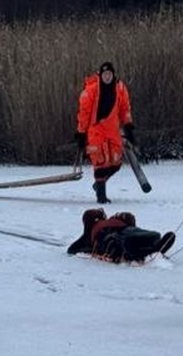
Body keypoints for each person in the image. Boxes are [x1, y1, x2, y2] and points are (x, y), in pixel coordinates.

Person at [76, 61, 134, 204]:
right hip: (96, 131)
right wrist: (81, 133)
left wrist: (128, 126)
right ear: (100, 75)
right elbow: (84, 114)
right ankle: (101, 196)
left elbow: (125, 109)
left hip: (113, 131)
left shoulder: (120, 88)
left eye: (109, 74)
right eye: (104, 74)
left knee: (116, 162)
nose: (107, 76)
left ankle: (99, 185)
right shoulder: (91, 90)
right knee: (100, 164)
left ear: (113, 75)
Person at [66, 208, 175, 263]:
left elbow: (72, 249)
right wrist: (91, 250)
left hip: (122, 231)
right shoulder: (89, 232)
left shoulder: (110, 220)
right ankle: (152, 246)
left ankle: (153, 246)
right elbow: (72, 249)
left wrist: (91, 250)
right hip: (113, 234)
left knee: (132, 239)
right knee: (120, 241)